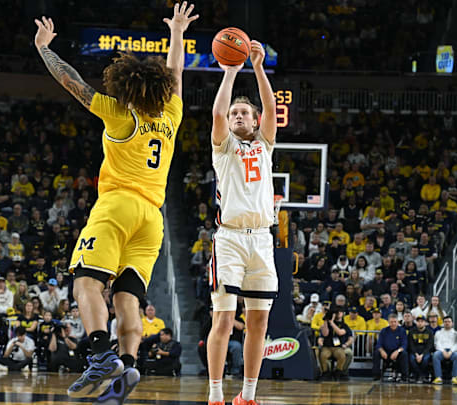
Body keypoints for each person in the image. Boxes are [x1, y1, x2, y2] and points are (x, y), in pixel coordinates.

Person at [33, 3, 197, 402]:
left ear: (126, 87)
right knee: (128, 298)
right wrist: (177, 33)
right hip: (151, 218)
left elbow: (72, 82)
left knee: (86, 283)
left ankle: (101, 353)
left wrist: (43, 49)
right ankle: (128, 362)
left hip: (118, 205)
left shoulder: (120, 113)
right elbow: (176, 75)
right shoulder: (171, 113)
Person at [206, 21, 278, 405]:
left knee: (259, 322)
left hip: (262, 239)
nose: (236, 116)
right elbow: (217, 115)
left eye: (243, 113)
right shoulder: (224, 148)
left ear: (254, 120)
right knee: (222, 319)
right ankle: (216, 395)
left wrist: (258, 67)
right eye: (234, 113)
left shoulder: (265, 144)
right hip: (230, 239)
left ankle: (247, 395)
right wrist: (231, 72)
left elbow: (270, 108)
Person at [317, 306, 354, 381]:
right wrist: (326, 320)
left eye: (339, 312)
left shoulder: (344, 325)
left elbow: (340, 332)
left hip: (338, 347)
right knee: (323, 355)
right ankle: (326, 372)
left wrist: (332, 323)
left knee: (341, 355)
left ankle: (339, 371)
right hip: (327, 346)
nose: (337, 314)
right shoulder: (326, 324)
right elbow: (325, 334)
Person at [373, 313, 408, 382]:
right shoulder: (384, 331)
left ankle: (404, 376)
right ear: (388, 322)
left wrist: (397, 351)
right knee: (376, 353)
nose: (393, 324)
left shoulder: (402, 331)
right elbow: (379, 344)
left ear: (397, 322)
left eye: (395, 322)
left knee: (404, 354)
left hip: (397, 352)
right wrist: (382, 351)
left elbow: (404, 344)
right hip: (386, 352)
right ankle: (376, 375)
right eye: (391, 322)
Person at [432, 316, 457, 385]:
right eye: (445, 322)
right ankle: (438, 377)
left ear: (452, 323)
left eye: (449, 322)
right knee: (436, 355)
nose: (447, 323)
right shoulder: (438, 332)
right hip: (441, 351)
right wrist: (443, 351)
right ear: (443, 323)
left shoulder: (456, 333)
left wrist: (451, 351)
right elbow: (436, 343)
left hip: (452, 351)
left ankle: (454, 377)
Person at [407, 315, 433, 382]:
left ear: (425, 323)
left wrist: (422, 355)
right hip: (414, 351)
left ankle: (422, 375)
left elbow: (429, 345)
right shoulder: (411, 331)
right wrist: (416, 354)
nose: (420, 323)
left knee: (425, 359)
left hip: (425, 351)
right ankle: (417, 375)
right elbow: (411, 344)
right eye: (418, 321)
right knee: (412, 359)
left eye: (422, 321)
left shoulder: (429, 332)